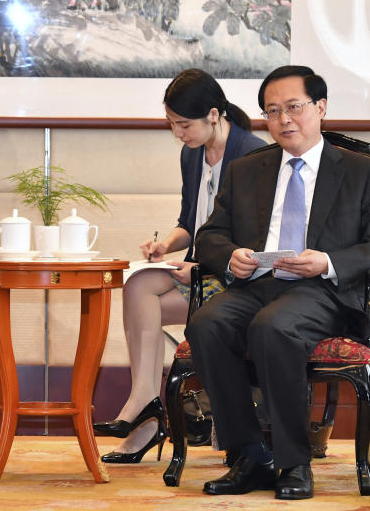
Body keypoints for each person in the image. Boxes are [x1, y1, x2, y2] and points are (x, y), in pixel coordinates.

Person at [185, 65, 370, 500]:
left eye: (294, 108)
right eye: (272, 111)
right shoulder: (247, 170)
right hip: (257, 286)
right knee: (206, 324)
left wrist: (326, 262)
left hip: (324, 291)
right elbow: (209, 234)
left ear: (320, 108)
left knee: (274, 326)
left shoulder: (360, 172)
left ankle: (292, 462)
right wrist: (230, 256)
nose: (283, 120)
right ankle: (251, 454)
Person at [93, 69, 265, 463]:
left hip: (235, 281)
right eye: (172, 125)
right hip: (199, 276)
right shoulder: (192, 155)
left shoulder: (253, 153)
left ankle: (145, 415)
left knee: (143, 293)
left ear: (214, 115)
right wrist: (164, 245)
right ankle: (147, 409)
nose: (178, 134)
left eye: (184, 124)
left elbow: (255, 239)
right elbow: (189, 221)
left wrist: (205, 267)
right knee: (136, 284)